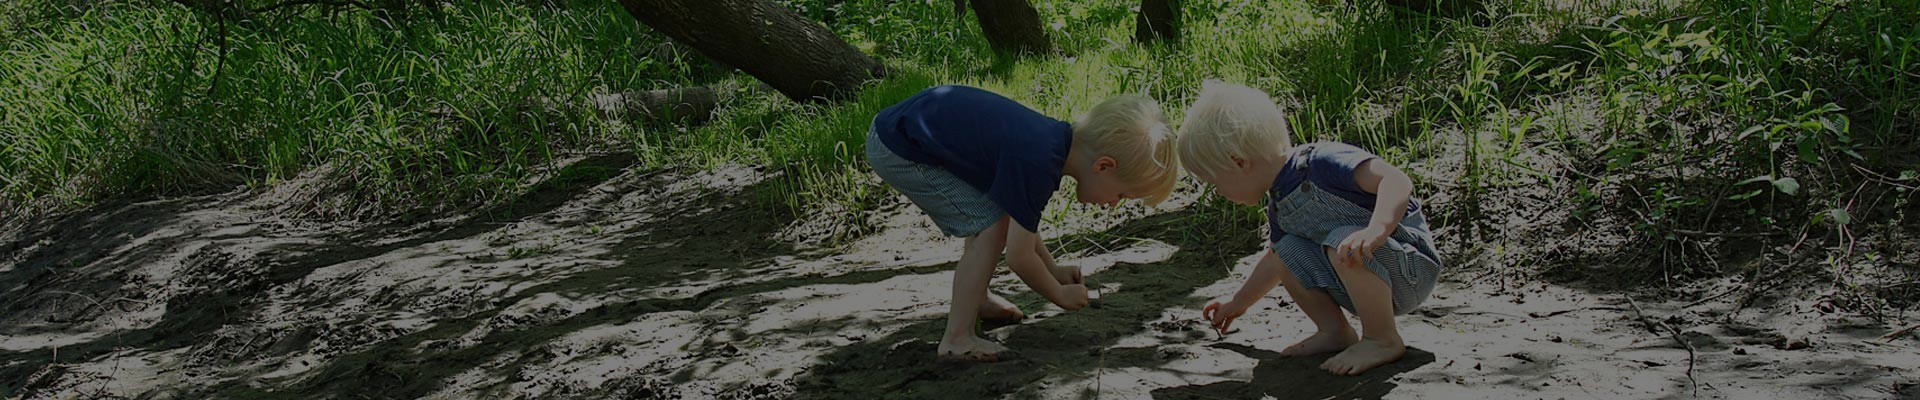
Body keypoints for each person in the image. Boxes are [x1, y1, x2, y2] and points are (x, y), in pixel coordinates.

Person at [866, 85, 1178, 361]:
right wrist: (1057, 293)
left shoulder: (1050, 146)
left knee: (996, 216)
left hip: (909, 134)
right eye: (1121, 194)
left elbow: (1020, 218)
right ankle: (957, 338)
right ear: (1104, 166)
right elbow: (1018, 256)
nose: (1113, 204)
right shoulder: (1038, 162)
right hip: (901, 148)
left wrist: (1053, 269)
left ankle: (977, 298)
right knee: (990, 227)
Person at [1180, 80, 1442, 375]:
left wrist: (1377, 229)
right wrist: (1238, 302)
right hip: (1364, 276)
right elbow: (1272, 262)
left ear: (1239, 162)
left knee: (1340, 240)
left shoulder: (1322, 162)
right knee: (1284, 251)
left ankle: (1382, 338)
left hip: (1409, 266)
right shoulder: (1279, 203)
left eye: (1215, 183)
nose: (1218, 193)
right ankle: (1335, 332)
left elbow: (1395, 180)